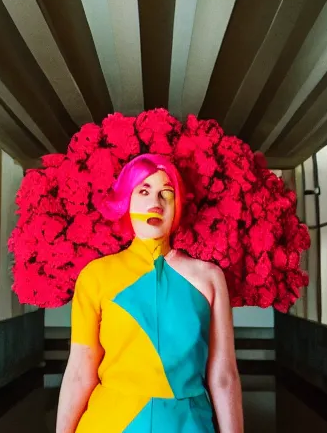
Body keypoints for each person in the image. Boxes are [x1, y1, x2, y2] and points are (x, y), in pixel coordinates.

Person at [56, 154, 243, 432]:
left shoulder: (209, 278)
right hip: (111, 422)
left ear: (177, 206)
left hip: (189, 423)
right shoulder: (95, 275)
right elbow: (80, 372)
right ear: (126, 201)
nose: (155, 203)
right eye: (143, 191)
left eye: (166, 193)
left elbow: (224, 375)